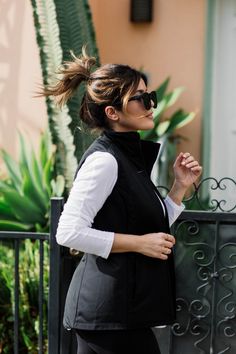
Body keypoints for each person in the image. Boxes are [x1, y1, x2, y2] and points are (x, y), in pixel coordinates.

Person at [43, 47, 202, 354]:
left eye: (149, 95)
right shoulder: (105, 161)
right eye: (140, 98)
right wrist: (138, 243)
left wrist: (179, 188)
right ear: (112, 113)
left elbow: (146, 228)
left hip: (122, 314)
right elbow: (68, 232)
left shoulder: (129, 158)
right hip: (106, 317)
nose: (150, 104)